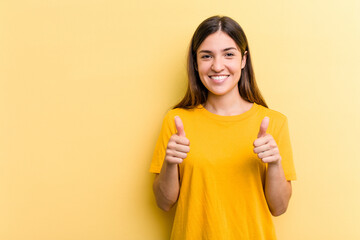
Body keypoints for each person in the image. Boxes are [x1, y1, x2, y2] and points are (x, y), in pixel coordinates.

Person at [149, 15, 296, 240]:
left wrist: (275, 164)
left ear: (243, 60)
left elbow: (279, 207)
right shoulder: (176, 121)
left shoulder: (273, 123)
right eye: (206, 56)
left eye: (229, 54)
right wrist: (170, 164)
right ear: (195, 62)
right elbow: (163, 202)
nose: (218, 66)